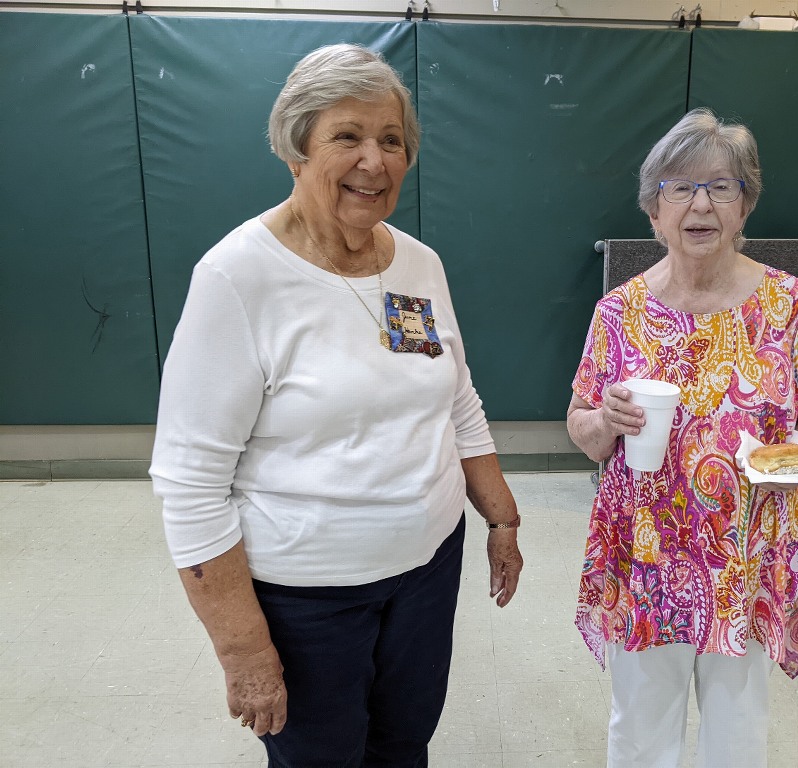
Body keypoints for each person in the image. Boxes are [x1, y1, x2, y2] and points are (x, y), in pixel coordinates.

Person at [149, 43, 523, 767]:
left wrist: (501, 518)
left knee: (403, 743)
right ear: (296, 149)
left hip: (427, 572)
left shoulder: (418, 264)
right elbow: (191, 485)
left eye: (391, 140)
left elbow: (456, 399)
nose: (374, 162)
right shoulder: (236, 277)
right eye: (346, 137)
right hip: (306, 599)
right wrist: (243, 649)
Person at [566, 108, 798, 768]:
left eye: (721, 186)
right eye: (679, 188)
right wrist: (605, 421)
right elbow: (581, 424)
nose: (700, 204)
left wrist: (794, 457)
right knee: (640, 732)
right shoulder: (619, 312)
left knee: (737, 734)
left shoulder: (793, 305)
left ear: (745, 205)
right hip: (646, 552)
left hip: (748, 553)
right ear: (653, 211)